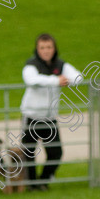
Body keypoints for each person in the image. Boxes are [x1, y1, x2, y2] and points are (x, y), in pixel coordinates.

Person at [19, 33, 82, 190]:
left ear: (54, 49)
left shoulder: (61, 65)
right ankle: (31, 185)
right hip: (31, 116)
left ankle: (43, 181)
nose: (46, 51)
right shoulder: (31, 65)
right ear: (37, 49)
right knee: (28, 152)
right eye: (42, 47)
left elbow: (78, 77)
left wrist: (66, 80)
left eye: (49, 47)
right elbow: (31, 80)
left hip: (49, 117)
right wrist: (55, 81)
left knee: (56, 153)